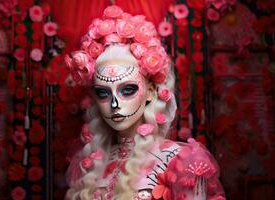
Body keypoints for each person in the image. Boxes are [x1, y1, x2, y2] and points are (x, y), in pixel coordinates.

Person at [64, 5, 225, 200]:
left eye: (127, 90)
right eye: (104, 93)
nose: (115, 103)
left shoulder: (181, 160)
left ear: (149, 92)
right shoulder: (89, 166)